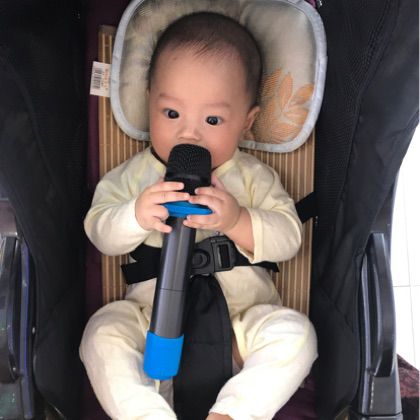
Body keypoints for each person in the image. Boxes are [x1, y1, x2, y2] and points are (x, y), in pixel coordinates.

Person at [80, 11, 317, 420]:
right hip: (150, 326)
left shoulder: (254, 177)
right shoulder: (134, 176)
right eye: (171, 114)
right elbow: (99, 230)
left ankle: (232, 413)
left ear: (247, 121)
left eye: (212, 120)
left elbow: (288, 239)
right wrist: (135, 215)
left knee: (297, 334)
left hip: (240, 331)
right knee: (101, 332)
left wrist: (238, 220)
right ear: (150, 102)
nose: (189, 133)